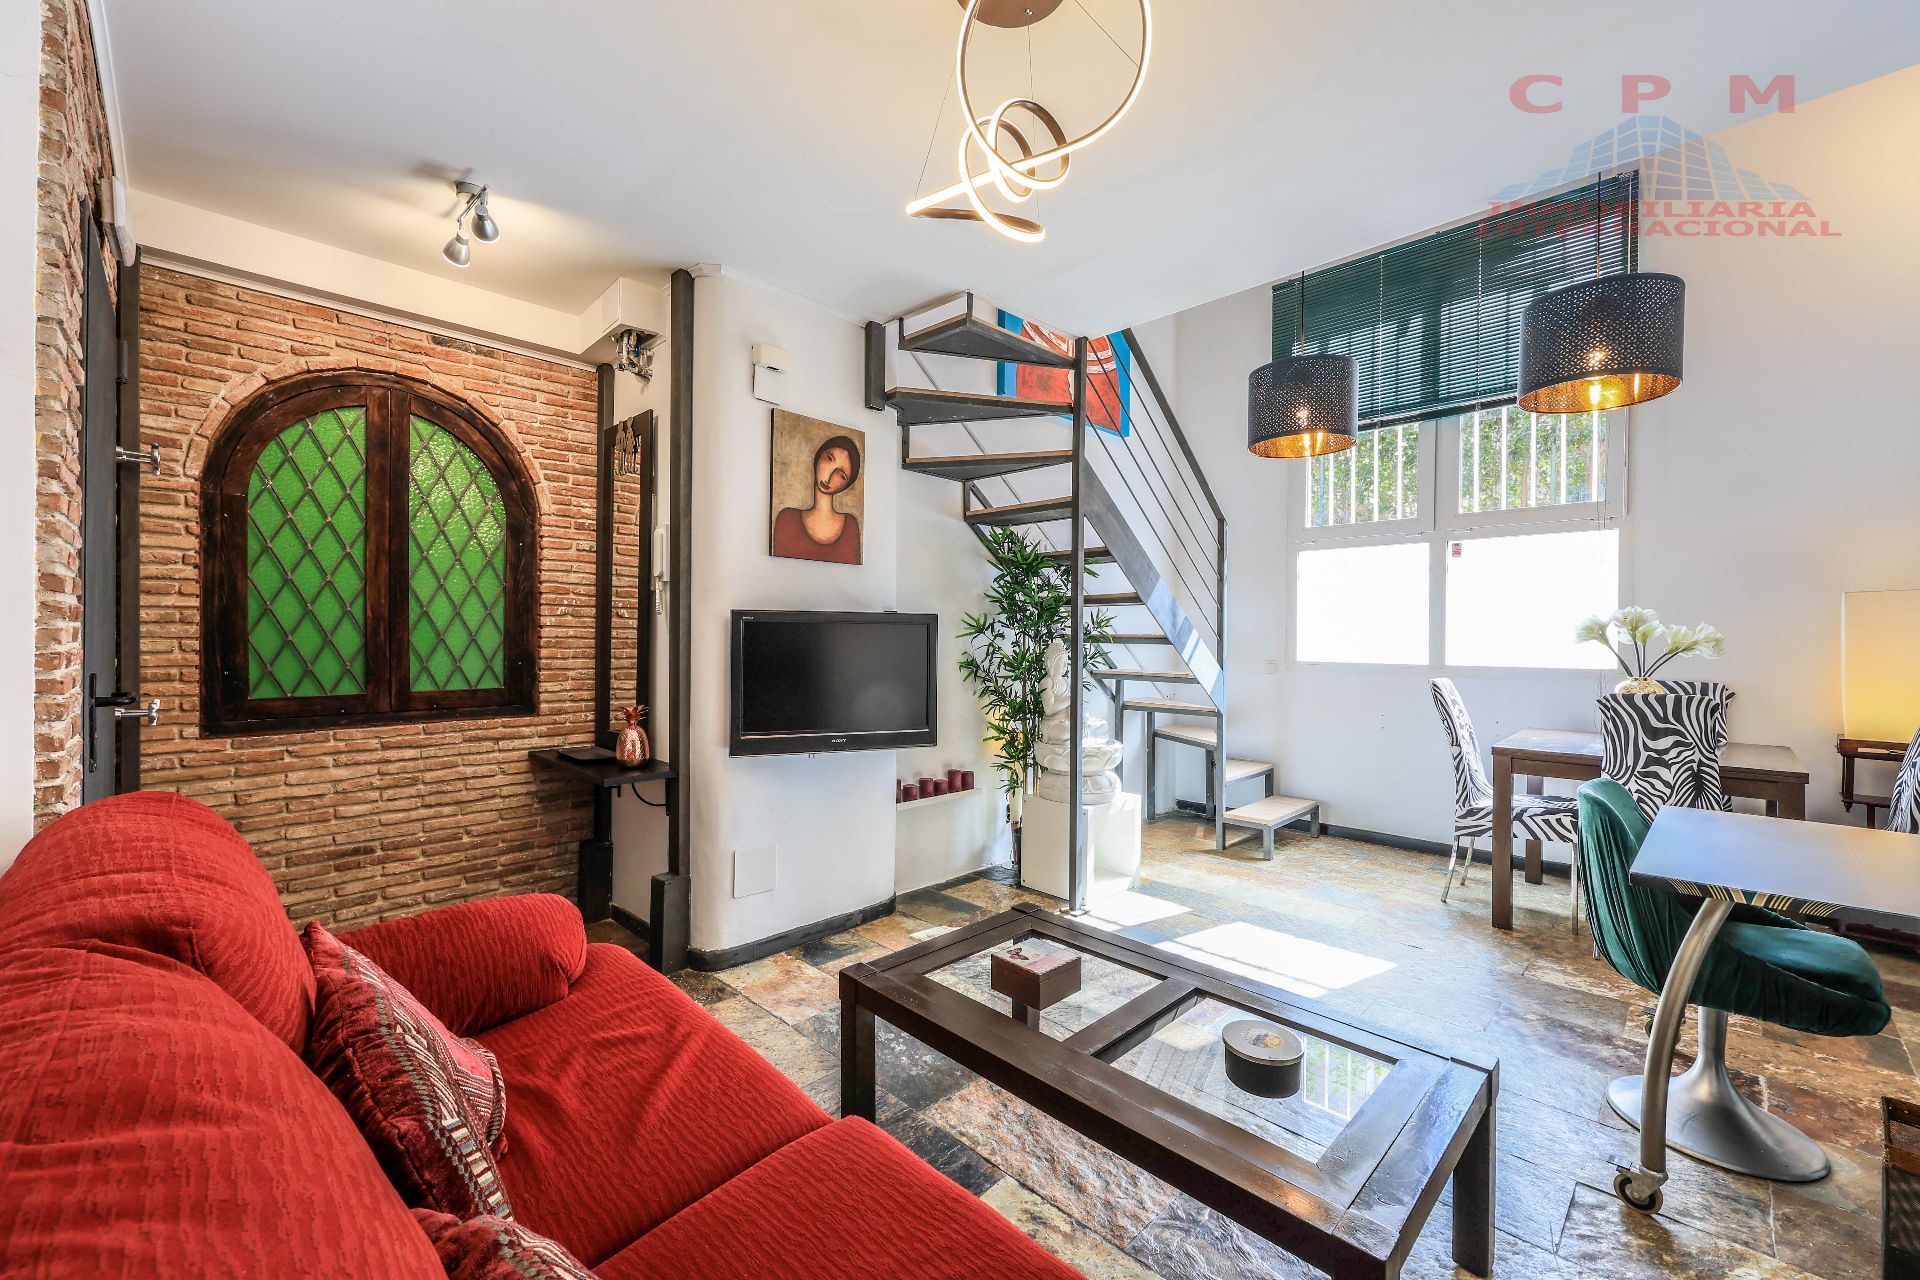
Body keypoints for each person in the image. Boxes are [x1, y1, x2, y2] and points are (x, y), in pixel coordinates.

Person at [771, 434, 861, 563]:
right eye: (829, 459)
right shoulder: (787, 518)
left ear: (847, 485)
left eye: (841, 475)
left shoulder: (850, 526)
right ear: (818, 458)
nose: (830, 476)